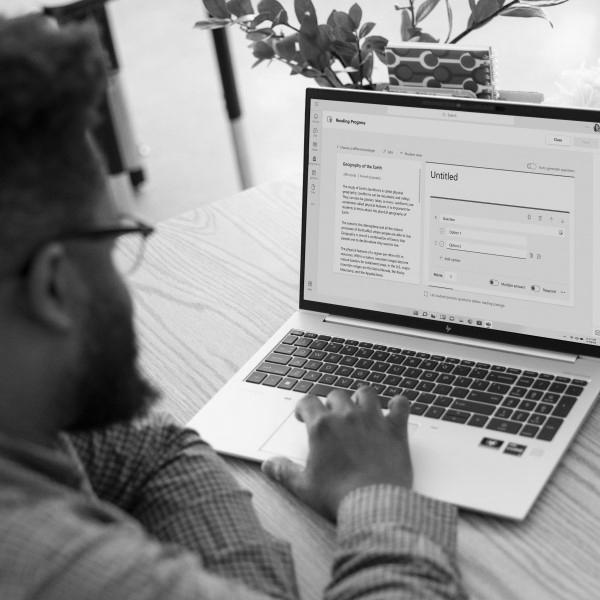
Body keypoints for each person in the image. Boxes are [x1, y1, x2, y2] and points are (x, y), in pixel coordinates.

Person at [0, 14, 467, 600]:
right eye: (117, 238)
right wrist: (375, 499)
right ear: (53, 285)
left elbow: (153, 448)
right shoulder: (64, 571)